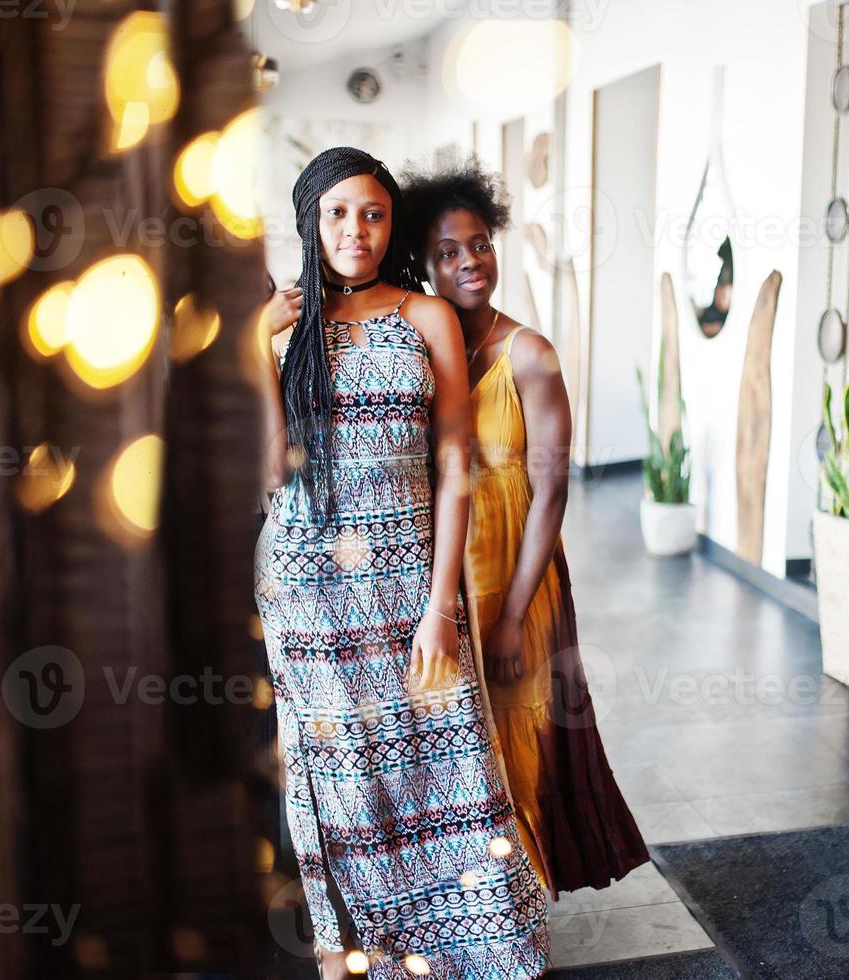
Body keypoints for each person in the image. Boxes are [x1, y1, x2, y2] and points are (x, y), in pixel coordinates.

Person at [252, 147, 548, 980]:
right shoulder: (282, 332)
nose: (356, 229)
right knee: (347, 775)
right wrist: (253, 343)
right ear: (312, 219)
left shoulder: (426, 318)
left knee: (445, 752)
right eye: (339, 212)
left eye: (373, 213)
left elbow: (454, 465)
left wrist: (439, 604)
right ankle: (376, 953)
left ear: (392, 225)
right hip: (308, 593)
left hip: (409, 579)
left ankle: (481, 946)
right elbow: (269, 472)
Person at [399, 157, 650, 900]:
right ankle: (471, 905)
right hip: (445, 582)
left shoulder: (529, 356)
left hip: (515, 579)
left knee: (520, 741)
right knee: (459, 747)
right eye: (448, 252)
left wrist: (510, 616)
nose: (469, 262)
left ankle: (520, 909)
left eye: (478, 243)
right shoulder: (423, 349)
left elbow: (549, 493)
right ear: (426, 265)